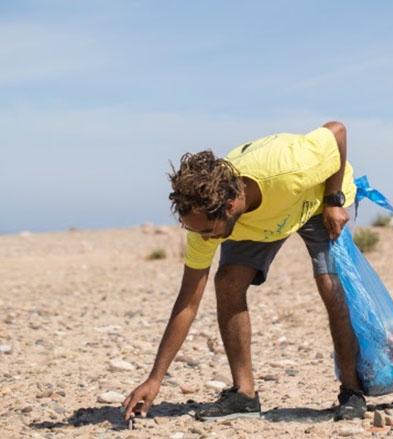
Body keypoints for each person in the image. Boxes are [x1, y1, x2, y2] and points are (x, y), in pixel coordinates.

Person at [122, 121, 367, 422]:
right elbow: (188, 302)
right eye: (198, 232)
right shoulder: (203, 220)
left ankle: (353, 392)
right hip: (260, 222)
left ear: (230, 204)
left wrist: (333, 200)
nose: (205, 238)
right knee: (227, 282)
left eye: (210, 232)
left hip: (316, 199)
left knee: (329, 284)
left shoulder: (292, 166)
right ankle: (244, 395)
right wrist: (155, 378)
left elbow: (337, 131)